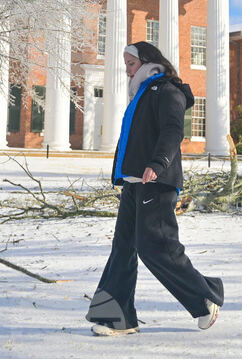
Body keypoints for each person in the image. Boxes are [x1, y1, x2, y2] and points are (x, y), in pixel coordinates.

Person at [85, 41, 224, 336]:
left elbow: (173, 131)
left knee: (155, 247)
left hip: (157, 181)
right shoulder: (143, 94)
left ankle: (205, 298)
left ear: (148, 62)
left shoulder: (167, 90)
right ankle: (118, 318)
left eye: (130, 64)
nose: (126, 71)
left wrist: (158, 163)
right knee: (123, 247)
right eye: (125, 65)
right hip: (135, 181)